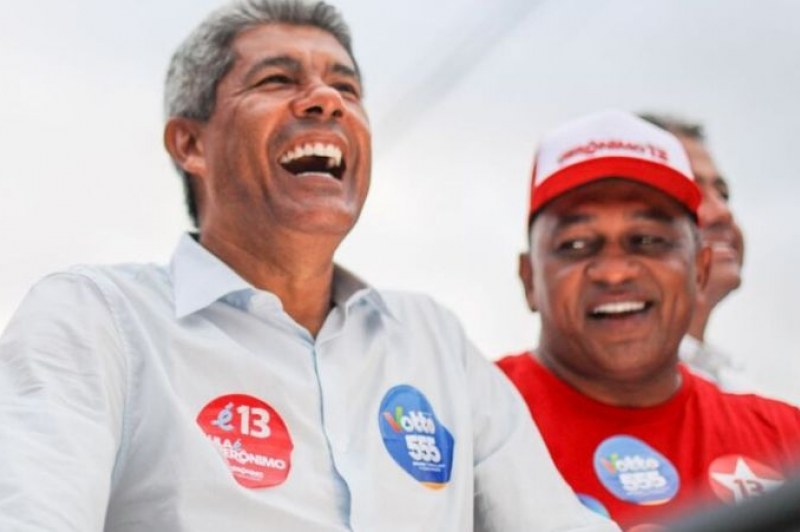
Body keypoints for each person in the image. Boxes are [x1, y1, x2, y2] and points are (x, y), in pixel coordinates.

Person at [0, 1, 617, 531]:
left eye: (347, 88)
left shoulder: (434, 342)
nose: (326, 101)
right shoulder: (99, 320)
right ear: (190, 143)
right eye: (276, 79)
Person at [497, 109, 800, 530]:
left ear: (700, 269)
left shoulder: (786, 443)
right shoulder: (463, 423)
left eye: (648, 240)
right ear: (529, 278)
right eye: (577, 244)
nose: (614, 272)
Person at [639, 113, 749, 391]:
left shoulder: (737, 388)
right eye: (692, 193)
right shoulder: (590, 388)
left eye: (723, 194)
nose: (723, 213)